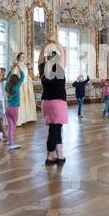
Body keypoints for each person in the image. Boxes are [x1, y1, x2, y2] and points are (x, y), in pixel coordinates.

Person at [38, 34, 68, 166]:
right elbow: (64, 52)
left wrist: (46, 44)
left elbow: (40, 57)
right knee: (54, 130)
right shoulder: (59, 68)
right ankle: (50, 156)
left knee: (55, 128)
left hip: (46, 102)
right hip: (58, 102)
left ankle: (59, 154)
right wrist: (55, 41)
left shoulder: (42, 69)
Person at [12, 52, 37, 126]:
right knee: (21, 102)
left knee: (26, 101)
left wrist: (29, 81)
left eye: (24, 56)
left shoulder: (25, 67)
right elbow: (14, 76)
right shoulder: (17, 66)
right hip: (20, 86)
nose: (23, 58)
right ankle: (19, 120)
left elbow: (26, 76)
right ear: (18, 57)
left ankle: (26, 118)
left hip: (26, 86)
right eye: (22, 57)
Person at [5, 62, 25, 150]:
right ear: (16, 80)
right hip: (14, 109)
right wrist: (18, 66)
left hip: (8, 109)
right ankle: (12, 142)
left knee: (10, 126)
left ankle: (10, 141)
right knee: (13, 126)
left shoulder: (7, 87)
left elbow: (6, 78)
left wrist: (11, 68)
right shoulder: (16, 87)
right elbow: (23, 76)